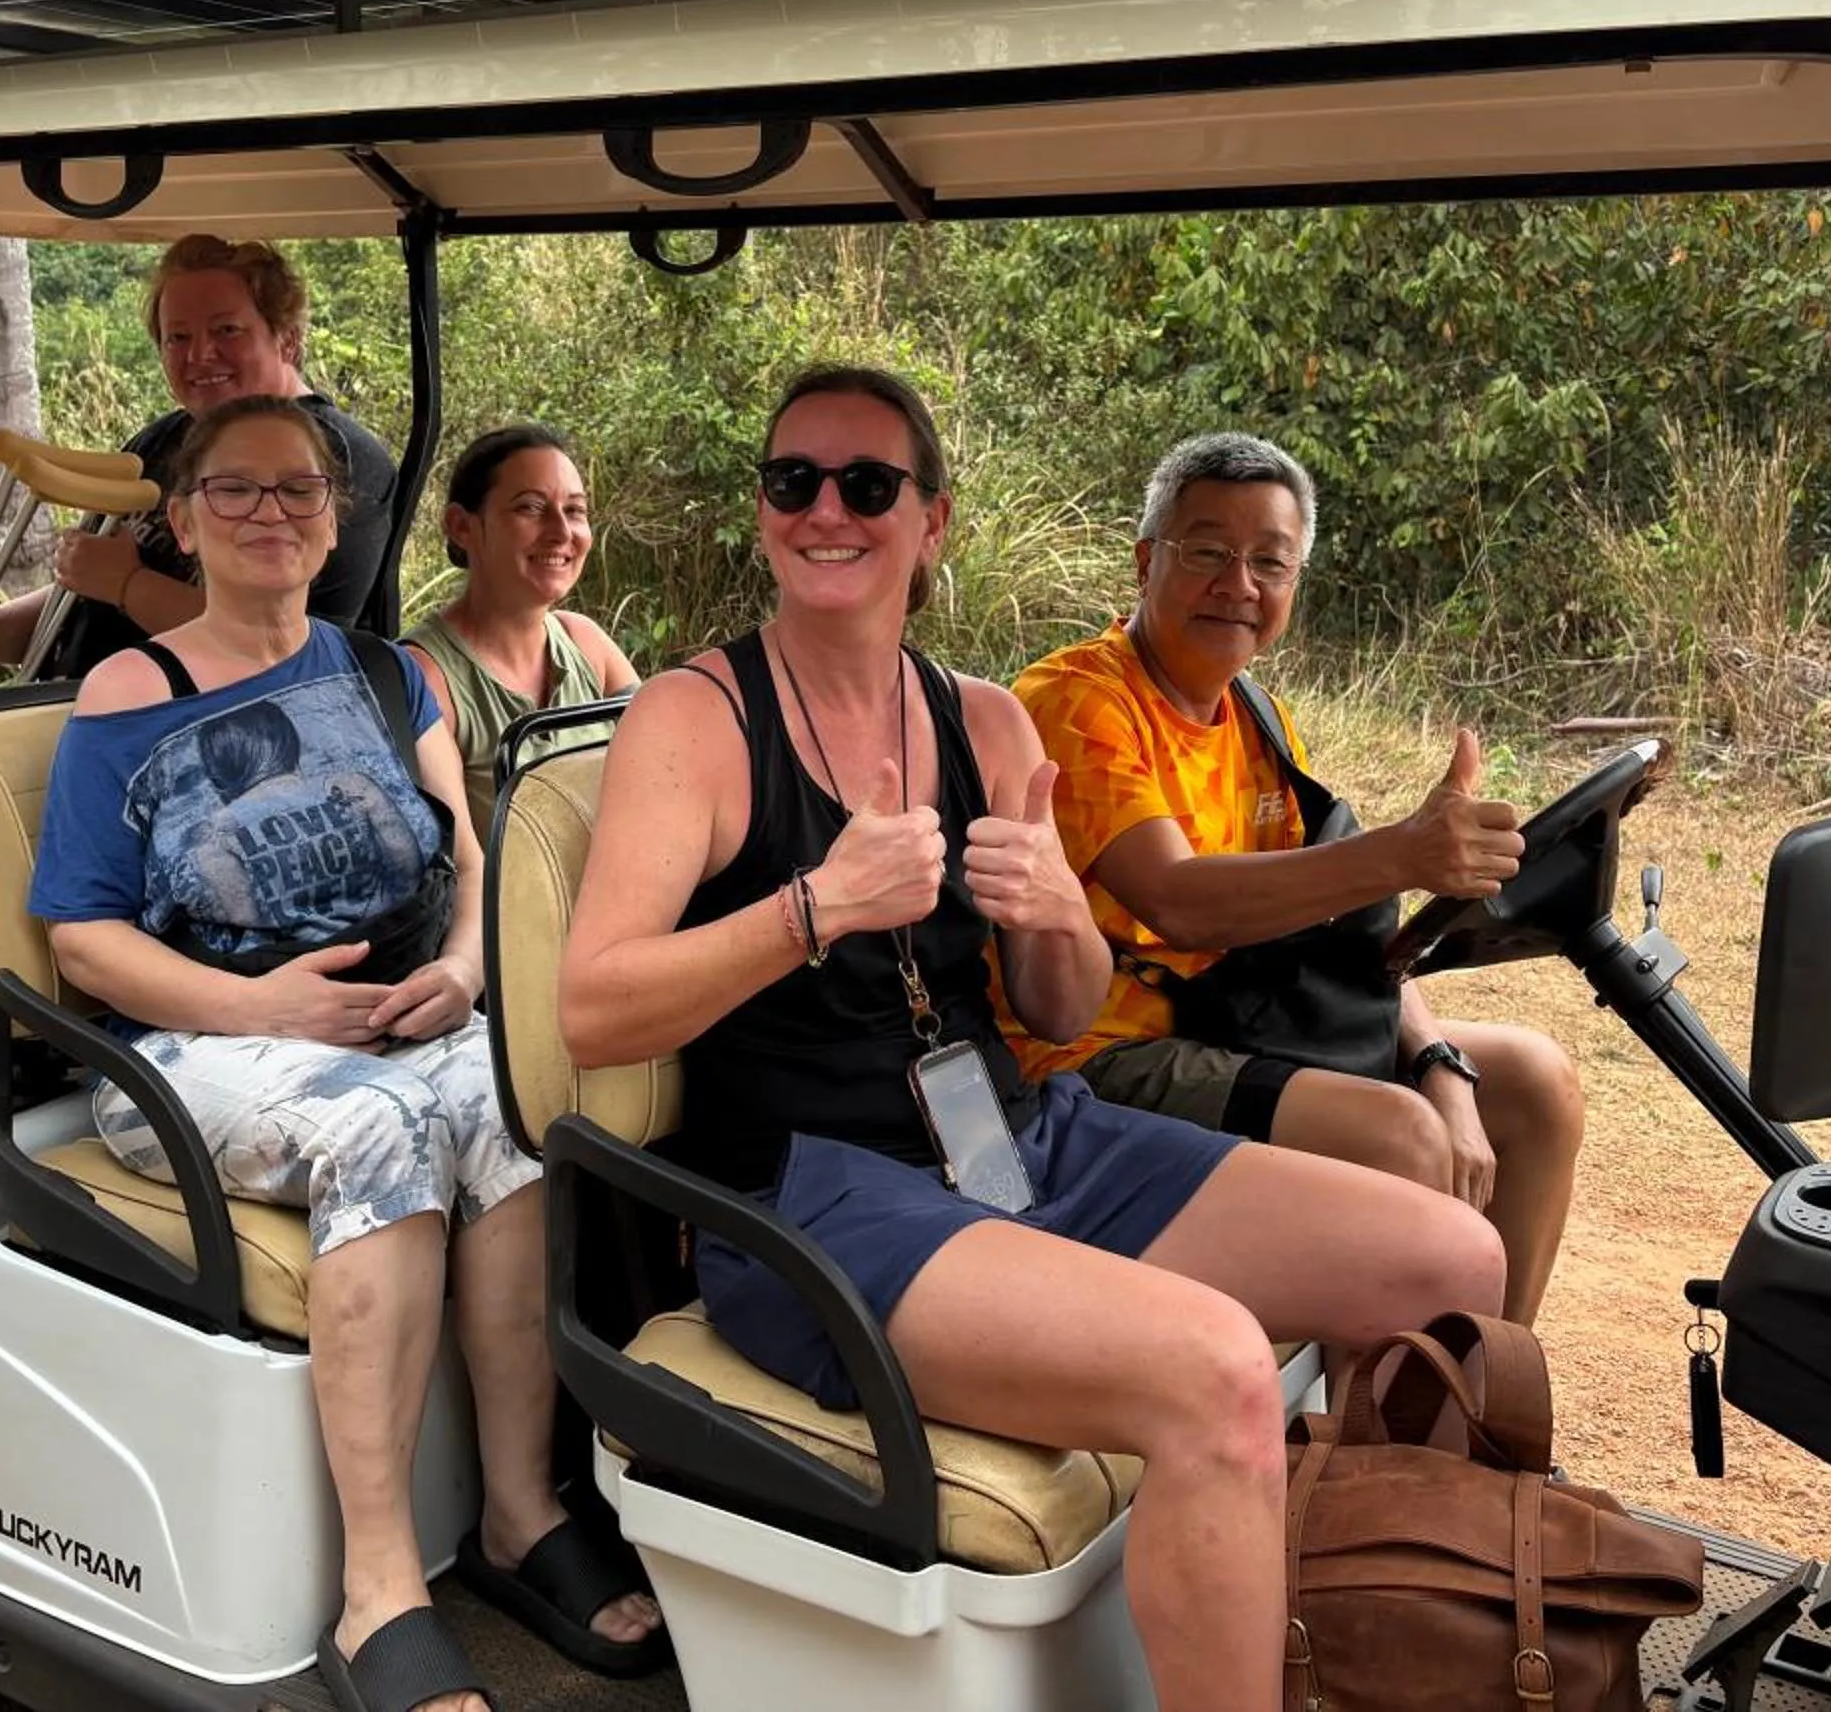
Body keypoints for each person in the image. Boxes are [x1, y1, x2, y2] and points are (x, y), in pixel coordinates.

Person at [563, 367, 1502, 1712]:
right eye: (794, 481)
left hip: (1018, 1138)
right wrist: (814, 907)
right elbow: (592, 1009)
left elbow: (1062, 1010)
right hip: (811, 1197)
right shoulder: (697, 719)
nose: (828, 509)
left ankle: (1377, 1650)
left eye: (868, 484)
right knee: (1222, 1371)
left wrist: (1059, 912)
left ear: (931, 520)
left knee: (1450, 1257)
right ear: (765, 510)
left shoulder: (984, 722)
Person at [28, 394, 660, 1712]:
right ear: (187, 519)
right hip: (187, 1044)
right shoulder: (130, 693)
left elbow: (471, 853)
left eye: (298, 491)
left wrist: (470, 968)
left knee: (513, 1098)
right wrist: (268, 1009)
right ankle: (380, 1583)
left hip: (392, 1011)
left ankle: (512, 1509)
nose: (270, 514)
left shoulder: (383, 672)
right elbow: (80, 937)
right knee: (380, 1123)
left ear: (336, 519)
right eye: (237, 491)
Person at [1006, 431, 1586, 1326]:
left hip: (1242, 1020)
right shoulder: (1079, 702)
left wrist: (1437, 1061)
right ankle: (1370, 1436)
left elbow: (1348, 933)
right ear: (1144, 561)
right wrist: (1400, 852)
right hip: (1097, 1056)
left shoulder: (1259, 718)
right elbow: (1179, 899)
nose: (1238, 585)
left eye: (1269, 562)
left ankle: (1481, 1399)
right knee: (1396, 1138)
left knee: (1533, 1081)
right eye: (1208, 552)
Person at [0, 234, 399, 685]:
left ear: (286, 339)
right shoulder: (161, 441)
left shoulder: (333, 459)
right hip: (78, 713)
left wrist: (130, 584)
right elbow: (88, 592)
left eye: (227, 330)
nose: (201, 355)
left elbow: (291, 653)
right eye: (178, 338)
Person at [403, 425, 641, 833]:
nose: (562, 533)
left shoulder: (588, 644)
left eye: (575, 510)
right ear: (462, 526)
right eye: (530, 508)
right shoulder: (426, 677)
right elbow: (457, 868)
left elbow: (666, 767)